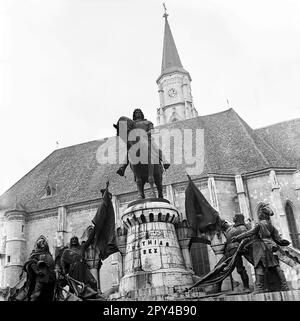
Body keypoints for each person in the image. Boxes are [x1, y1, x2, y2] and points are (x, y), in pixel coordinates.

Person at [231, 204, 290, 293]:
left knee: (259, 266)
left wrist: (237, 237)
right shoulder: (270, 225)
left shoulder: (259, 224)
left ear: (261, 215)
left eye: (259, 213)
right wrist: (283, 242)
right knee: (275, 267)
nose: (258, 215)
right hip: (271, 247)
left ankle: (259, 288)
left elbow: (250, 233)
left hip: (262, 247)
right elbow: (277, 238)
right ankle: (284, 285)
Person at [116, 108, 170, 176]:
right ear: (134, 115)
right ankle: (122, 168)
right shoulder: (133, 124)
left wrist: (145, 134)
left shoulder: (147, 122)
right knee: (129, 152)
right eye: (136, 113)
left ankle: (165, 161)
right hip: (137, 142)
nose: (137, 114)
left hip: (148, 140)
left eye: (139, 112)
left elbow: (152, 131)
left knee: (156, 148)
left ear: (142, 114)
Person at [215, 214, 251, 292]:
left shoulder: (242, 228)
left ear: (238, 218)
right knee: (219, 267)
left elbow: (246, 239)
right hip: (228, 252)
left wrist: (240, 248)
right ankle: (217, 288)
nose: (233, 217)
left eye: (235, 216)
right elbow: (223, 223)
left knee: (240, 269)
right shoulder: (231, 228)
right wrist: (215, 215)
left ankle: (246, 287)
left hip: (236, 250)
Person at [23, 236, 56, 301]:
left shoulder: (48, 255)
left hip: (50, 280)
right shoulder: (35, 254)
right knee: (36, 296)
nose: (43, 244)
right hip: (40, 279)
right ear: (38, 245)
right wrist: (37, 271)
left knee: (49, 296)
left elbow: (52, 266)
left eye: (44, 243)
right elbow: (31, 263)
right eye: (41, 243)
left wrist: (55, 271)